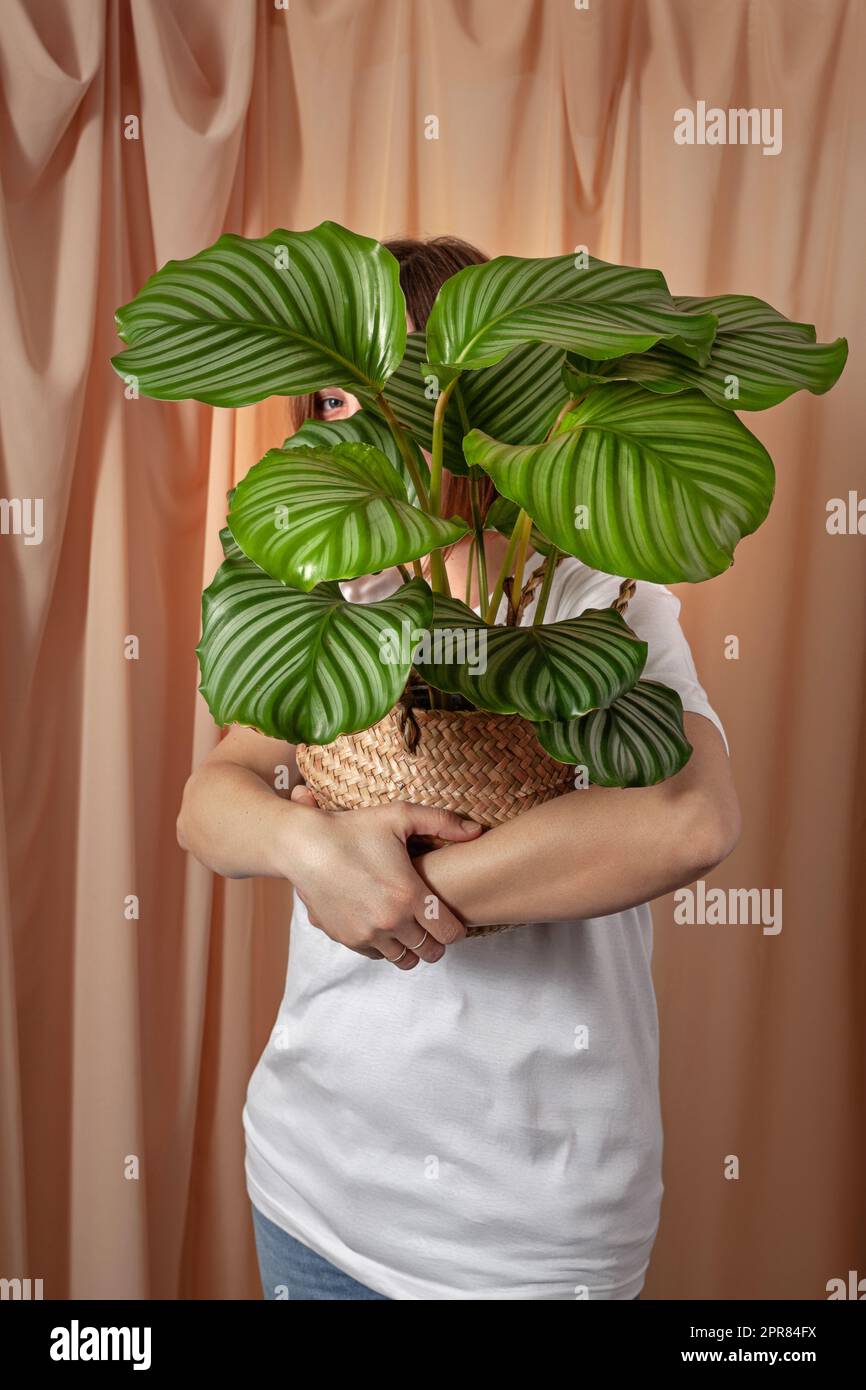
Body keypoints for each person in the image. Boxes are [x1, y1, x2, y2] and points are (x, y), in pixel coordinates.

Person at [176, 235, 741, 1301]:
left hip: (532, 1234)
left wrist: (396, 894)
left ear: (479, 395)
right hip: (315, 1186)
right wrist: (309, 846)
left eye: (383, 392)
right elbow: (209, 805)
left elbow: (687, 821)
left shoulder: (594, 589)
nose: (347, 427)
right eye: (330, 404)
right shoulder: (326, 583)